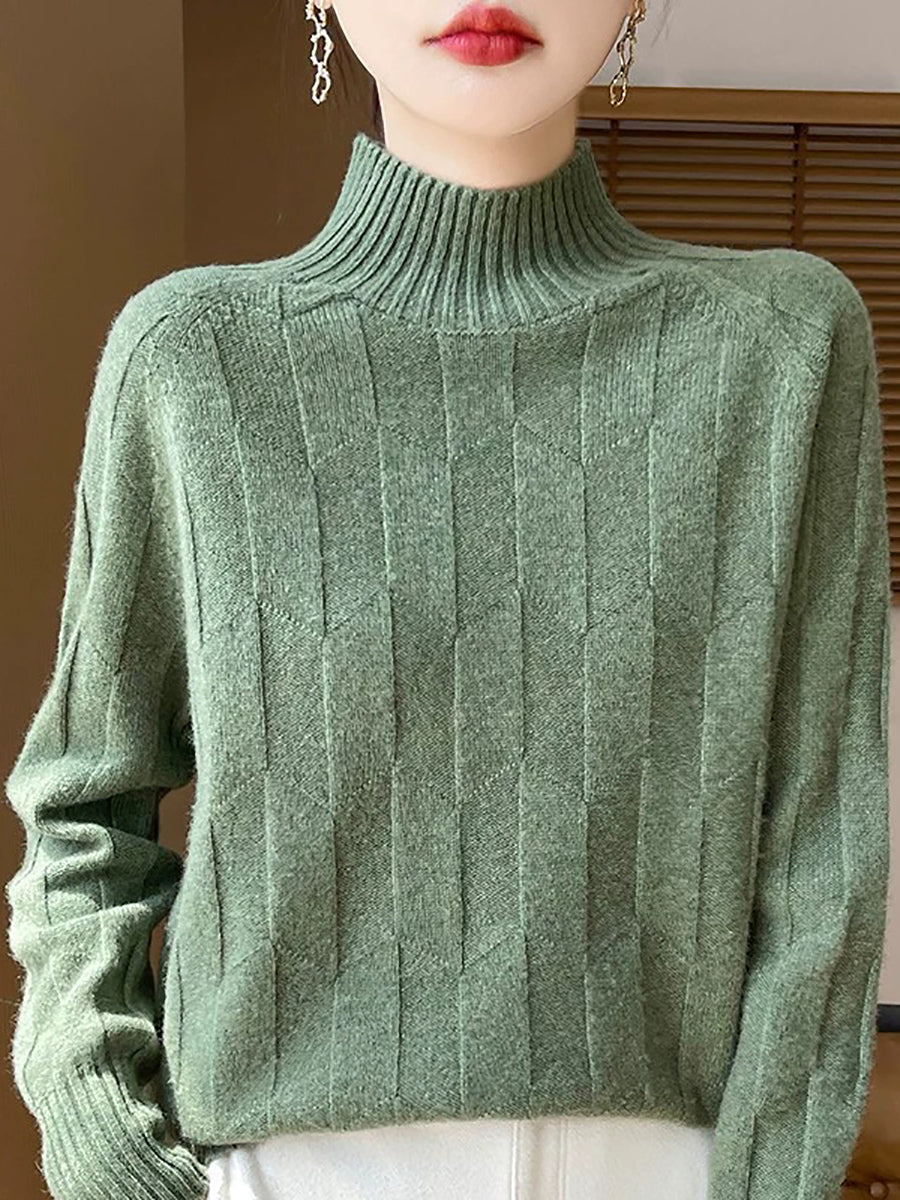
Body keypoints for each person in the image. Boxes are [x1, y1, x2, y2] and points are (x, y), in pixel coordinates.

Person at [4, 1, 891, 1199]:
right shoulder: (191, 360)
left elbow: (822, 844)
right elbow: (84, 808)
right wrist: (112, 1153)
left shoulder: (782, 346)